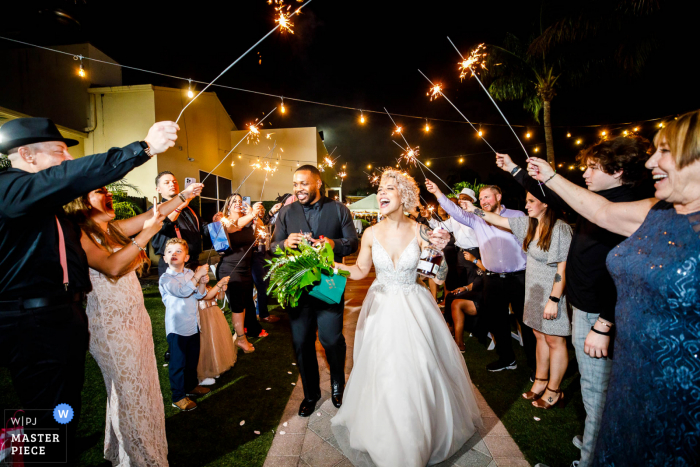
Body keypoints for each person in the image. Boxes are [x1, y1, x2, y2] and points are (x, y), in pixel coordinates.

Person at [525, 109, 700, 466]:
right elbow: (601, 212)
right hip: (634, 369)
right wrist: (550, 176)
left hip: (680, 387)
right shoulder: (659, 211)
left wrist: (603, 323)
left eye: (665, 151)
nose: (652, 160)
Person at [0, 117, 178, 462]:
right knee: (45, 412)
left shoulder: (51, 209)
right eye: (59, 150)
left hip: (63, 316)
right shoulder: (8, 188)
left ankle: (56, 450)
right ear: (26, 154)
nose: (67, 159)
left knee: (64, 406)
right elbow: (69, 178)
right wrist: (143, 149)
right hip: (30, 322)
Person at [496, 137, 651, 465]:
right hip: (584, 306)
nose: (585, 172)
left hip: (598, 314)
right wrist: (515, 169)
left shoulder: (626, 207)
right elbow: (551, 194)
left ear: (619, 170)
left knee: (596, 394)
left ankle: (591, 457)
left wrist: (604, 321)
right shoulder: (600, 199)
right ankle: (593, 439)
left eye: (593, 167)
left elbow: (626, 271)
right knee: (592, 393)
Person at [330, 169, 482, 467]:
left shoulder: (420, 231)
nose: (382, 194)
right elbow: (360, 271)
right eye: (381, 189)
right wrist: (328, 264)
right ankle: (389, 437)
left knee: (420, 369)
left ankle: (418, 436)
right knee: (385, 370)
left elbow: (437, 279)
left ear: (404, 196)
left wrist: (440, 253)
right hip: (382, 308)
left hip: (415, 307)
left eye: (389, 189)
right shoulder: (371, 233)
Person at [63, 180, 201, 465]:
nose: (108, 195)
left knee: (140, 387)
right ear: (81, 201)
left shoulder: (112, 228)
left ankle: (123, 450)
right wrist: (146, 234)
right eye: (99, 191)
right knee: (130, 392)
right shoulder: (79, 234)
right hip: (110, 326)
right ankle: (141, 459)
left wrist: (184, 195)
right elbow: (111, 266)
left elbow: (157, 212)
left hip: (136, 317)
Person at [462, 193, 573, 408]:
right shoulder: (528, 225)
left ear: (546, 203)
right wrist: (472, 208)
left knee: (555, 341)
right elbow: (498, 220)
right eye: (526, 200)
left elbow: (563, 268)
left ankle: (554, 389)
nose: (526, 205)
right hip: (533, 291)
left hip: (552, 293)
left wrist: (554, 299)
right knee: (539, 336)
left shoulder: (559, 229)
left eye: (532, 201)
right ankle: (540, 381)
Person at [270, 165, 359, 416]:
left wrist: (334, 243)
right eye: (295, 184)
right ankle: (311, 394)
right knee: (301, 342)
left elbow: (353, 243)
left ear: (318, 183)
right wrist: (284, 244)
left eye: (304, 184)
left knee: (331, 339)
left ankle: (337, 384)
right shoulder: (286, 213)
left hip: (329, 285)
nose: (298, 189)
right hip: (297, 287)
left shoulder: (339, 209)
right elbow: (272, 246)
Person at [426, 180, 536, 373]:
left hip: (518, 277)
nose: (484, 200)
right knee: (496, 321)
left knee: (526, 322)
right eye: (482, 197)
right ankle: (507, 359)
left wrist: (476, 209)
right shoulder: (476, 219)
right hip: (491, 279)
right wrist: (437, 193)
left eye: (487, 196)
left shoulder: (516, 215)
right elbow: (455, 211)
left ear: (498, 197)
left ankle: (535, 365)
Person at [159, 238, 215, 411]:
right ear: (164, 258)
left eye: (178, 251)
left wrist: (202, 283)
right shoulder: (166, 278)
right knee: (178, 363)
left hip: (193, 325)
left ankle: (190, 387)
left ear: (186, 257)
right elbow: (182, 292)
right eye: (170, 252)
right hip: (177, 328)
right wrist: (198, 276)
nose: (174, 254)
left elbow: (199, 295)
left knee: (192, 360)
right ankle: (177, 397)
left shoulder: (189, 273)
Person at [213, 194, 266, 351]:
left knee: (245, 303)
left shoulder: (248, 219)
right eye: (233, 201)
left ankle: (242, 333)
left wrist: (255, 216)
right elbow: (233, 227)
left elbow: (261, 229)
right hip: (230, 268)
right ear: (228, 205)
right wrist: (251, 214)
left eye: (240, 201)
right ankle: (241, 340)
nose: (237, 203)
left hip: (245, 268)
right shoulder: (221, 219)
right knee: (237, 305)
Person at [151, 172, 204, 277]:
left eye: (175, 182)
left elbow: (203, 229)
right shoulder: (156, 210)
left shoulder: (190, 208)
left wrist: (218, 222)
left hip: (193, 263)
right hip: (172, 264)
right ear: (158, 189)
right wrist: (179, 207)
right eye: (167, 183)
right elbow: (163, 225)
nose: (172, 184)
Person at [197, 278, 237, 382]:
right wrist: (219, 285)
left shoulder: (208, 286)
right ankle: (207, 370)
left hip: (215, 315)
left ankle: (218, 365)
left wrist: (223, 290)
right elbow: (206, 296)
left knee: (217, 339)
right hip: (204, 316)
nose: (204, 275)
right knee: (207, 342)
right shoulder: (195, 288)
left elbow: (219, 297)